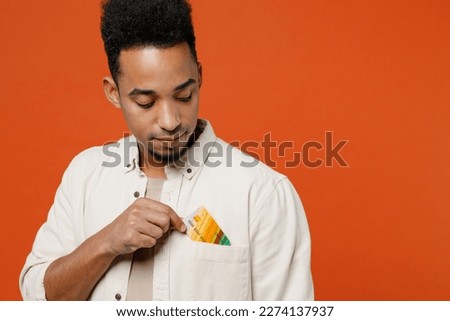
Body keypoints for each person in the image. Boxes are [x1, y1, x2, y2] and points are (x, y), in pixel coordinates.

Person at [19, 0, 314, 301]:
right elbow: (37, 298)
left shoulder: (262, 193)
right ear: (113, 93)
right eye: (146, 103)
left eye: (184, 96)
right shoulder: (84, 175)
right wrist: (106, 242)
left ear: (199, 76)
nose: (171, 121)